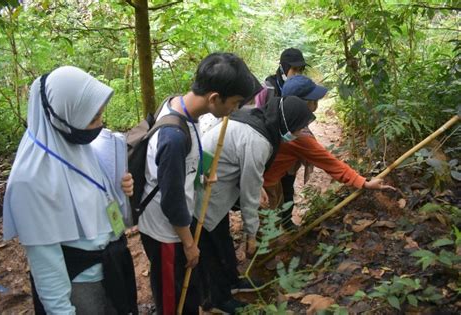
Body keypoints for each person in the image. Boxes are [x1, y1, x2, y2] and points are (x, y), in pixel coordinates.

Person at [3, 66, 138, 314]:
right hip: (81, 283)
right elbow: (46, 264)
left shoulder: (78, 146)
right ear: (63, 116)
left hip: (111, 266)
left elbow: (90, 197)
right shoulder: (30, 180)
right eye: (92, 119)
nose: (99, 125)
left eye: (100, 115)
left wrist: (119, 187)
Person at [137, 52, 260, 315]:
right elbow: (171, 200)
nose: (236, 110)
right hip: (166, 234)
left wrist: (203, 170)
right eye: (236, 103)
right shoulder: (173, 136)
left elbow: (189, 155)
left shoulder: (182, 107)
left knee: (188, 292)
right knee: (174, 302)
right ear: (215, 98)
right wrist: (189, 243)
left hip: (176, 229)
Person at [196, 95, 315, 314]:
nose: (301, 132)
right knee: (210, 249)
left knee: (222, 241)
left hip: (219, 188)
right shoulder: (259, 140)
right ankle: (216, 299)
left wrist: (257, 185)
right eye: (300, 127)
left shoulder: (260, 120)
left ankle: (232, 281)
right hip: (206, 194)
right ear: (287, 121)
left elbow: (245, 165)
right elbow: (249, 195)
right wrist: (251, 235)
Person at [262, 75, 396, 226]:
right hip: (267, 182)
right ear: (304, 104)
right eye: (314, 101)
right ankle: (263, 246)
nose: (316, 104)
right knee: (267, 220)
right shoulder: (300, 138)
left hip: (271, 176)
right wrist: (364, 183)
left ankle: (278, 231)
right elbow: (330, 163)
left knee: (278, 206)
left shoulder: (277, 113)